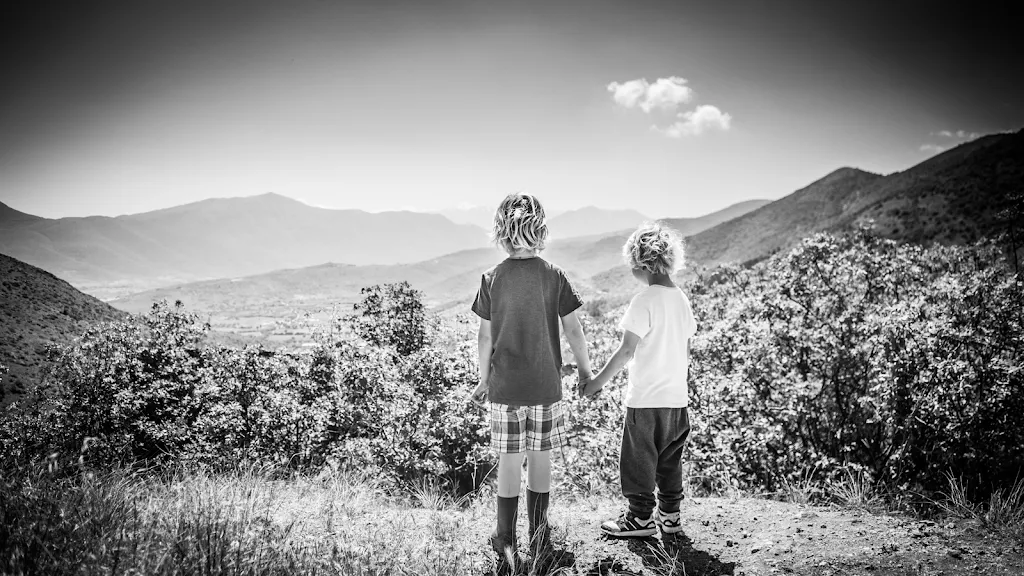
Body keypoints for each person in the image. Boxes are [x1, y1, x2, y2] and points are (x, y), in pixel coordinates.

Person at [469, 193, 593, 559]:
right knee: (540, 459)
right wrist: (585, 370)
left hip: (504, 389)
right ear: (540, 230)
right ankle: (539, 534)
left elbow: (485, 337)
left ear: (500, 233)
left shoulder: (491, 278)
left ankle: (505, 537)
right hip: (545, 388)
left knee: (509, 463)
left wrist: (482, 378)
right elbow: (573, 331)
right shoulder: (554, 276)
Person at [581, 222, 697, 538]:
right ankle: (670, 517)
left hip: (646, 401)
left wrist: (595, 383)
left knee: (638, 463)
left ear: (642, 264)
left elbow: (625, 351)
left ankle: (640, 519)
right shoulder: (682, 301)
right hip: (677, 402)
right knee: (670, 463)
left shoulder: (643, 301)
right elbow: (686, 350)